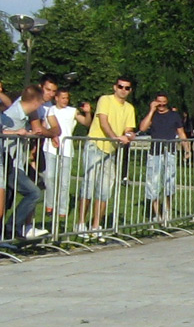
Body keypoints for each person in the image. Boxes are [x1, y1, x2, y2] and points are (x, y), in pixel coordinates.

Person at [78, 77, 137, 232]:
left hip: (110, 151)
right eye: (120, 86)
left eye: (127, 88)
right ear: (115, 87)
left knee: (104, 190)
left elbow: (128, 128)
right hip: (95, 145)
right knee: (88, 186)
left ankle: (96, 225)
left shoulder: (129, 108)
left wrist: (129, 135)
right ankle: (81, 223)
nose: (123, 90)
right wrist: (115, 137)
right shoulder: (105, 100)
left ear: (130, 91)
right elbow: (103, 122)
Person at [1, 86, 49, 240]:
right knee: (33, 192)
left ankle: (7, 232)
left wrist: (28, 134)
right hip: (7, 163)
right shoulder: (13, 114)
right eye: (40, 102)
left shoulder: (22, 114)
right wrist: (16, 133)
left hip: (13, 163)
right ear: (35, 102)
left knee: (8, 199)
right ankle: (11, 228)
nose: (41, 105)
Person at [139, 91, 189, 222]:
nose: (161, 105)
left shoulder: (174, 116)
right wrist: (151, 111)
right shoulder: (153, 115)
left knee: (169, 184)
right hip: (155, 152)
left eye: (163, 103)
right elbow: (142, 128)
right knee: (153, 184)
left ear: (167, 103)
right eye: (158, 103)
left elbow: (181, 133)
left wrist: (187, 149)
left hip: (170, 152)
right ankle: (156, 214)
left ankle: (167, 210)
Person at [41, 86, 85, 226]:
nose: (65, 100)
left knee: (64, 181)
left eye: (67, 98)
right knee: (50, 177)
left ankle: (63, 209)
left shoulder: (72, 111)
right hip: (50, 148)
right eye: (63, 98)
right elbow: (43, 126)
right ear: (57, 98)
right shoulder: (50, 110)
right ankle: (49, 205)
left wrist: (87, 113)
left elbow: (86, 122)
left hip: (66, 148)